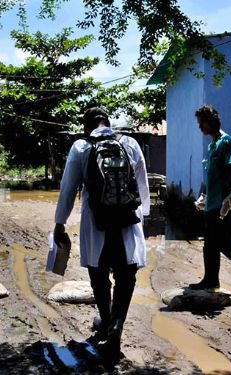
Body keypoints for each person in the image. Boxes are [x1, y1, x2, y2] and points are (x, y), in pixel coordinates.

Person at [53, 107, 150, 365]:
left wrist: (59, 223)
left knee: (99, 274)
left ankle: (107, 322)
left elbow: (68, 188)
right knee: (126, 274)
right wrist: (144, 218)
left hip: (97, 224)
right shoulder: (129, 143)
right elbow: (142, 185)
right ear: (108, 122)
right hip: (127, 222)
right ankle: (117, 323)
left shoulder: (81, 147)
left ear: (86, 126)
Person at [190, 105, 231, 290]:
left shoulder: (227, 141)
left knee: (218, 240)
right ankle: (211, 280)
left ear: (211, 122)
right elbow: (212, 175)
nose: (200, 127)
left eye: (202, 123)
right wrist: (204, 195)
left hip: (223, 202)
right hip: (212, 202)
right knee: (211, 243)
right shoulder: (213, 145)